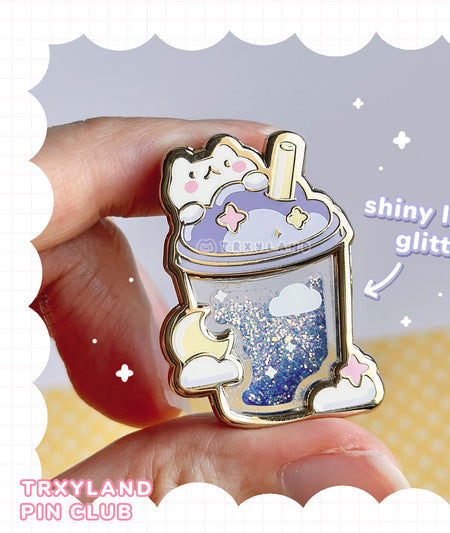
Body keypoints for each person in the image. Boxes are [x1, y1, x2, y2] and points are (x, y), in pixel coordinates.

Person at [30, 117, 410, 506]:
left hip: (320, 355)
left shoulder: (288, 212)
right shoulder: (202, 224)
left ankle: (329, 381)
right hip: (237, 384)